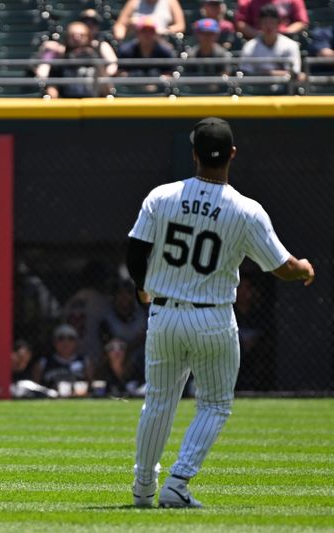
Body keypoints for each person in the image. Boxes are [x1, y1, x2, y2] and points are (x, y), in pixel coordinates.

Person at [126, 117, 315, 508]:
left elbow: (134, 249)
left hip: (164, 314)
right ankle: (178, 482)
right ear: (231, 154)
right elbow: (281, 266)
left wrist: (143, 288)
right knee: (214, 404)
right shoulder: (246, 210)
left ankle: (144, 488)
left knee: (158, 403)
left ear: (193, 154)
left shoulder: (161, 196)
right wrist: (304, 269)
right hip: (212, 317)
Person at [38, 21, 111, 98]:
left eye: (81, 35)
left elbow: (106, 88)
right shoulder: (60, 62)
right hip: (68, 104)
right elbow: (52, 87)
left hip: (93, 104)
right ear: (67, 38)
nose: (77, 38)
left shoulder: (95, 59)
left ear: (88, 37)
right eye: (73, 35)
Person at [239, 4, 302, 81]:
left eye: (272, 22)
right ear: (260, 24)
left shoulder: (291, 45)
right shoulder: (249, 46)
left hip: (284, 89)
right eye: (265, 22)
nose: (269, 26)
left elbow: (294, 74)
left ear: (278, 23)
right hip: (256, 88)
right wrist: (277, 73)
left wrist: (266, 73)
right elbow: (245, 73)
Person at [34, 324, 90, 397]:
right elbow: (35, 387)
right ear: (54, 342)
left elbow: (91, 385)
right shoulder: (43, 362)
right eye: (61, 338)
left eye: (71, 338)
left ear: (76, 342)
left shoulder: (85, 361)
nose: (66, 342)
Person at [113, 0, 186, 41]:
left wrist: (164, 31)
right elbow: (120, 25)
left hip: (161, 41)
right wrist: (120, 34)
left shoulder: (171, 2)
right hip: (136, 42)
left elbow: (180, 26)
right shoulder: (134, 2)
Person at [235, 0, 308, 39]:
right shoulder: (247, 1)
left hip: (286, 39)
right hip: (257, 41)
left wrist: (284, 34)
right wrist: (259, 36)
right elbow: (241, 23)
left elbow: (301, 22)